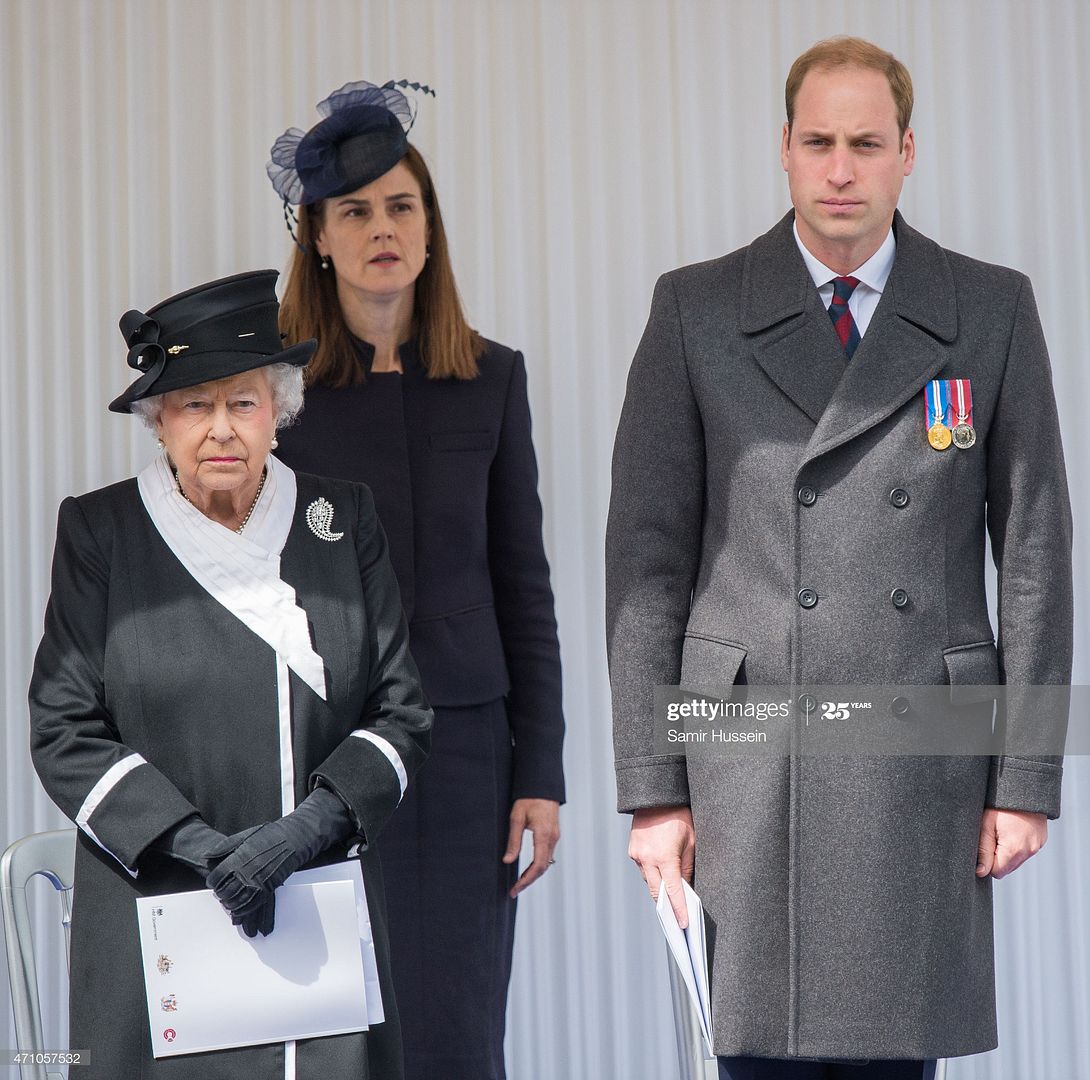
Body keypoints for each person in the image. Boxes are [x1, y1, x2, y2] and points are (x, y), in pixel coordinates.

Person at [606, 36, 1072, 1080]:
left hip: (920, 746)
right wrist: (652, 787)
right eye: (818, 140)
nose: (840, 168)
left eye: (866, 142)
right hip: (748, 749)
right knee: (759, 1058)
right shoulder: (697, 309)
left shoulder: (988, 309)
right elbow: (644, 563)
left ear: (908, 151)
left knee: (891, 1060)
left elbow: (1034, 545)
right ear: (783, 149)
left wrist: (1026, 776)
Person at [29, 269, 433, 1080]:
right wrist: (205, 849)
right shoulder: (101, 532)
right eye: (195, 406)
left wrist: (303, 834)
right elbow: (62, 727)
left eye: (243, 403)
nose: (221, 429)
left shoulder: (341, 518)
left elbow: (401, 714)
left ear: (278, 413)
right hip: (157, 918)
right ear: (159, 423)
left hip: (313, 911)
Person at [266, 80, 565, 1080]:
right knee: (336, 1035)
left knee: (454, 1032)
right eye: (354, 211)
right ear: (317, 236)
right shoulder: (276, 399)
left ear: (430, 229)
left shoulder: (492, 377)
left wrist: (540, 774)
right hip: (320, 755)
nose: (380, 228)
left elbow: (524, 586)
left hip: (465, 758)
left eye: (401, 206)